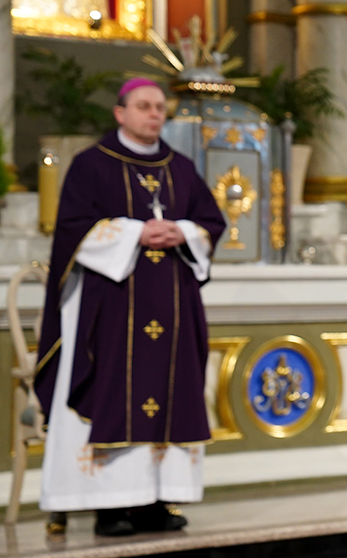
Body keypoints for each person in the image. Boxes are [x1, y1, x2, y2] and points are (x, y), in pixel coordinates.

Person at [34, 79, 225, 536]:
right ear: (120, 113)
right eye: (144, 106)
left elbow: (209, 221)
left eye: (159, 107)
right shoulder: (91, 164)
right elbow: (73, 228)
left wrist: (183, 231)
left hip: (173, 307)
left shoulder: (180, 167)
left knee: (170, 394)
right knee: (112, 393)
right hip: (110, 310)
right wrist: (134, 232)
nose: (154, 114)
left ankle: (156, 501)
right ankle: (110, 505)